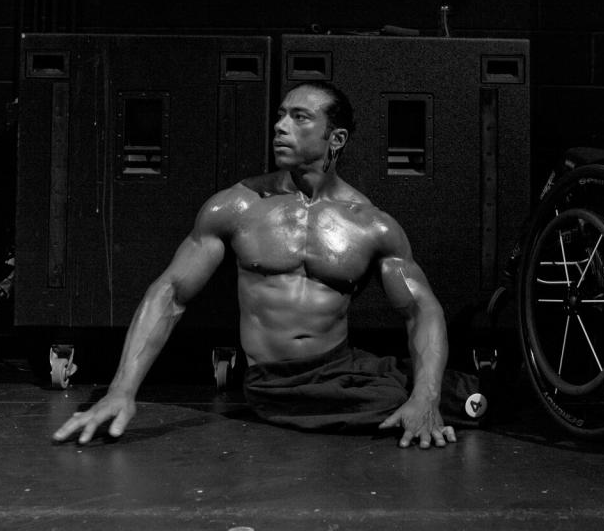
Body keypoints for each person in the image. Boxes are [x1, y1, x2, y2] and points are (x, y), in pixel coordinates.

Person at [52, 81, 483, 450]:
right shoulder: (237, 205)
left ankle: (434, 398)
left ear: (336, 139)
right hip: (274, 384)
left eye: (300, 118)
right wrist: (121, 391)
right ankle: (435, 400)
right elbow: (170, 292)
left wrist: (424, 395)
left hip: (340, 368)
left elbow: (421, 309)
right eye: (280, 116)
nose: (280, 127)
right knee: (446, 399)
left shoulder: (371, 225)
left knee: (449, 393)